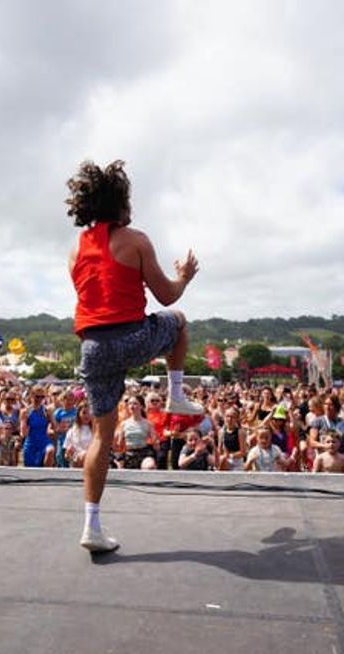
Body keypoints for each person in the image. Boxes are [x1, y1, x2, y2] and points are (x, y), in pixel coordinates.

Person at [67, 159, 202, 553]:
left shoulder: (74, 251)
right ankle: (176, 393)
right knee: (178, 320)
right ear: (120, 204)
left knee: (102, 439)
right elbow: (167, 296)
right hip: (128, 336)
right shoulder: (136, 240)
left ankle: (92, 525)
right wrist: (185, 277)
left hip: (92, 348)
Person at [118, 395, 157, 470]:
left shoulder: (148, 424)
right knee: (119, 468)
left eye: (135, 403)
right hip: (128, 454)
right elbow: (120, 444)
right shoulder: (124, 424)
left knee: (150, 466)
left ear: (141, 406)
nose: (132, 406)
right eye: (130, 404)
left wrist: (156, 442)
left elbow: (155, 443)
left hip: (143, 453)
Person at [20, 387, 55, 467]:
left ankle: (47, 476)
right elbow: (23, 433)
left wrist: (51, 419)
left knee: (50, 451)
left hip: (44, 441)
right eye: (37, 396)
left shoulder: (46, 411)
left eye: (42, 397)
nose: (39, 399)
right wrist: (26, 421)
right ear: (31, 396)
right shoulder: (25, 412)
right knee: (31, 471)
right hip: (31, 443)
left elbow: (55, 427)